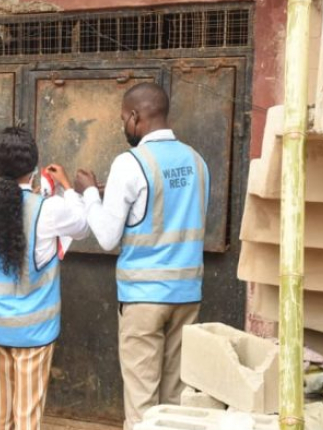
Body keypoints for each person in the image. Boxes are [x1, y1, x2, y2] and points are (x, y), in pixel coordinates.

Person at [74, 82, 210, 428]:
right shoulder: (197, 161)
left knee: (142, 403)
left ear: (135, 116)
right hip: (187, 294)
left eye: (124, 119)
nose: (124, 126)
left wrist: (89, 195)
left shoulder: (130, 163)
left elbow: (107, 237)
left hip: (143, 297)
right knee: (176, 401)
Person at [0, 127, 90, 430]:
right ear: (34, 165)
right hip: (34, 332)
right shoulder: (48, 208)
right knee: (27, 416)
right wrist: (68, 187)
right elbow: (82, 226)